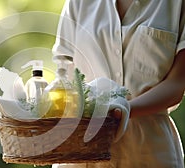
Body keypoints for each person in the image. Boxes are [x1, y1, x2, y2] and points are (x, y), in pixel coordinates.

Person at [51, 0, 185, 167]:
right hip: (80, 151)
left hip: (148, 152)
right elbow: (64, 76)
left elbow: (176, 85)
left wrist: (121, 110)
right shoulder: (78, 3)